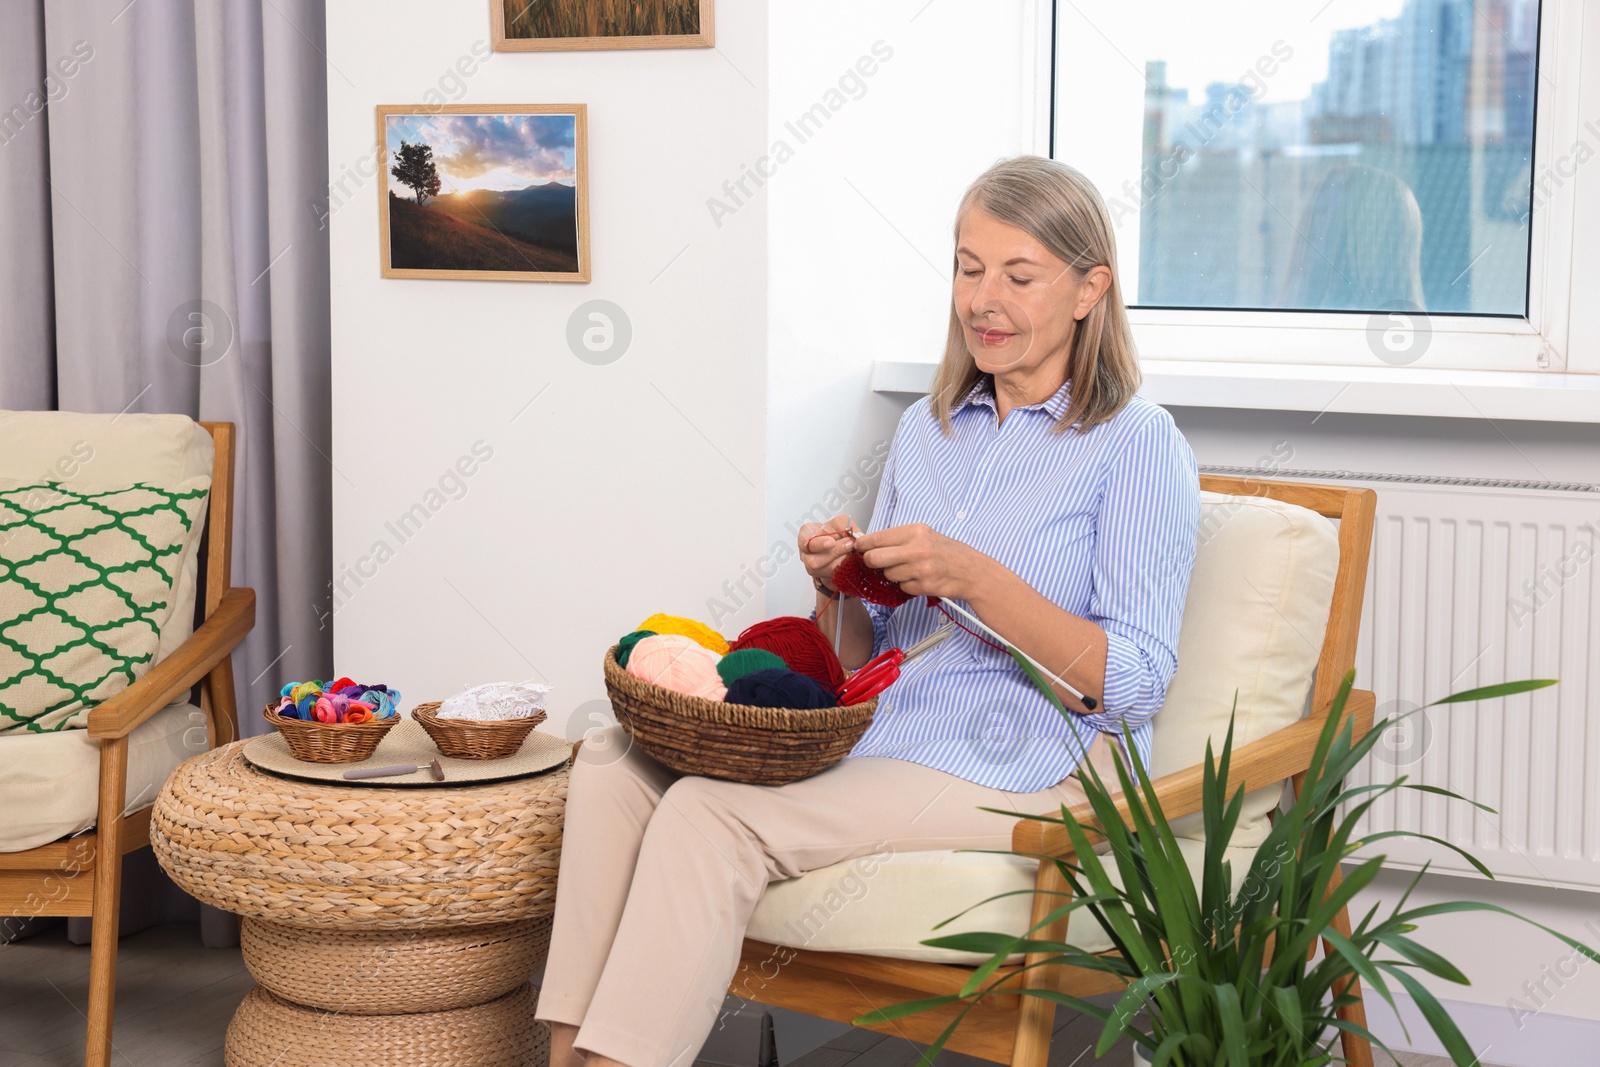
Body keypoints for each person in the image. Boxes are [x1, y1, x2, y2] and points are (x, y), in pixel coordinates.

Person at [532, 155, 1201, 1067]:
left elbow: (1133, 682)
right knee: (612, 764)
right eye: (968, 268)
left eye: (1018, 275)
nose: (984, 300)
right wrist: (838, 582)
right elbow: (863, 660)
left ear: (1090, 289)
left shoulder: (1136, 444)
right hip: (885, 736)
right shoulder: (930, 429)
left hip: (1031, 762)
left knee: (707, 814)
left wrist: (972, 576)